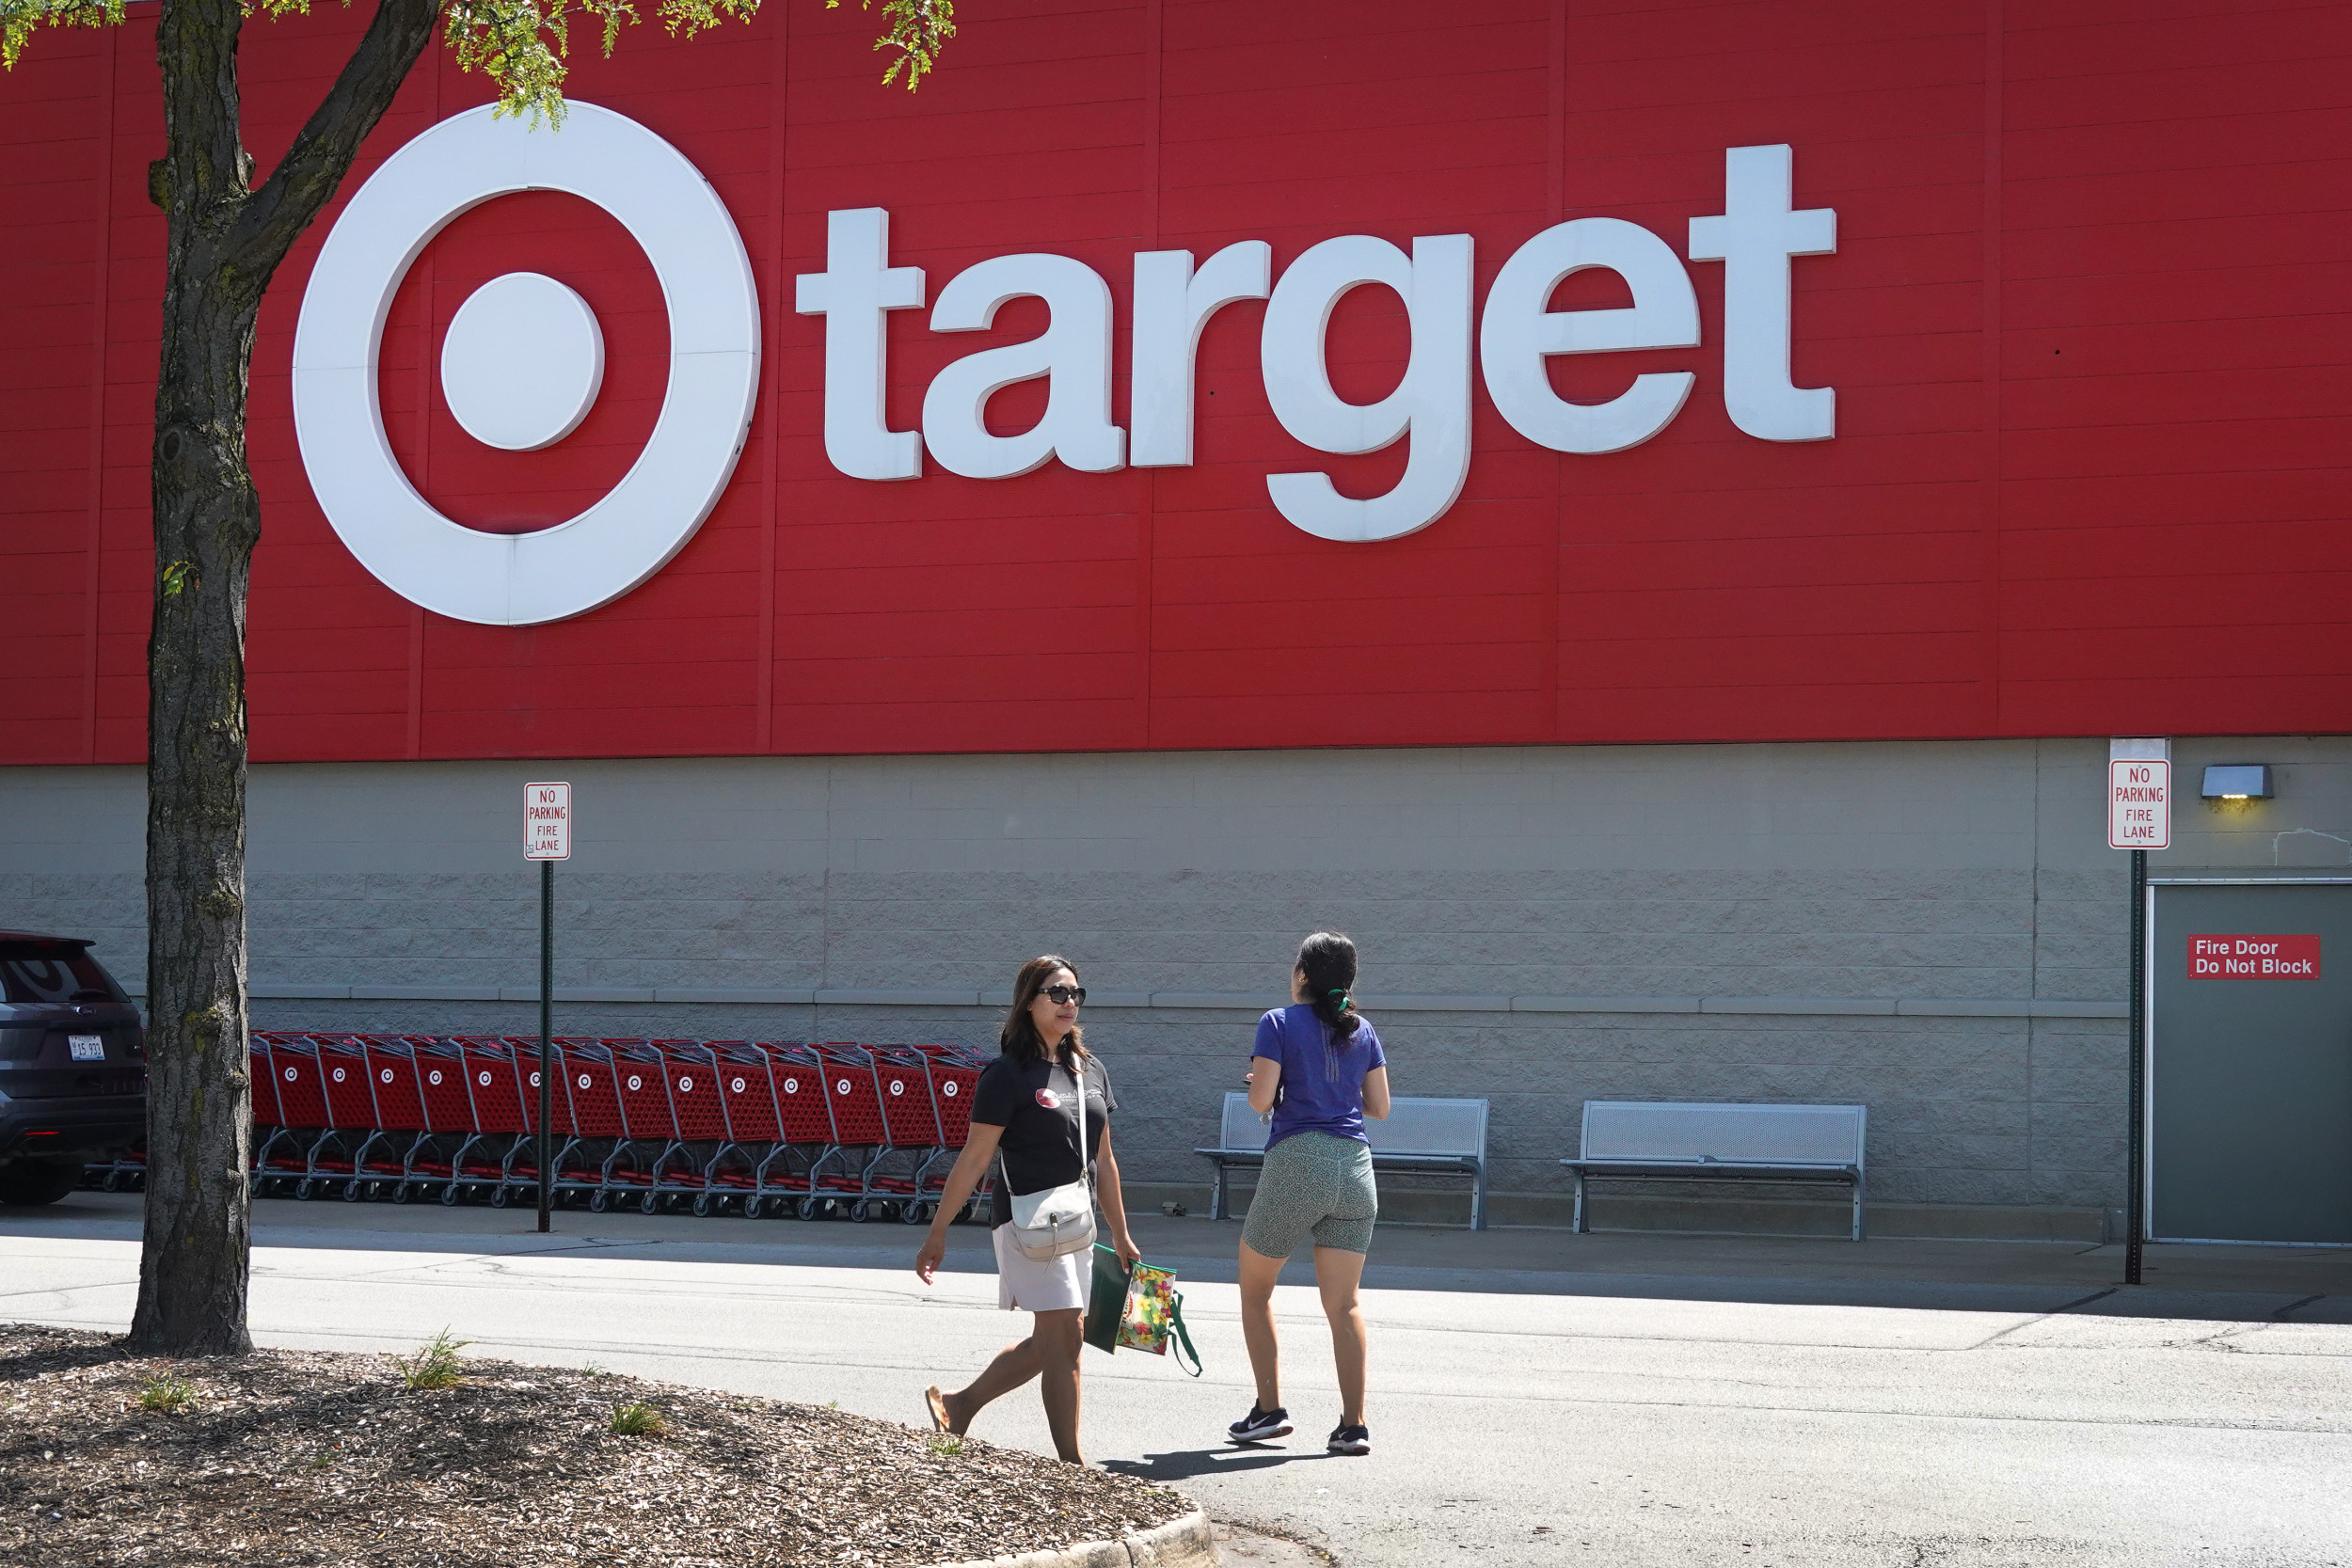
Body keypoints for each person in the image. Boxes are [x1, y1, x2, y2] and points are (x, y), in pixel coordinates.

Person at [915, 955, 1141, 1464]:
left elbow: (1105, 1162)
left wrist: (1122, 1234)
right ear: (1028, 1001)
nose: (1069, 1003)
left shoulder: (1091, 1070)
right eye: (1056, 992)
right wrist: (938, 1232)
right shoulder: (1006, 1075)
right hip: (1024, 1222)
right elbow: (974, 1160)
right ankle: (1072, 1466)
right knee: (1065, 1336)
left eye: (1075, 994)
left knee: (1057, 1341)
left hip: (1076, 1222)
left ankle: (958, 1405)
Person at [1227, 930, 1389, 1456]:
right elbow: (1379, 1107)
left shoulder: (1276, 1022)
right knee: (1345, 1306)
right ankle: (1353, 1426)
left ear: (1302, 975)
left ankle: (1269, 1411)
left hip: (1298, 1162)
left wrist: (1265, 1080)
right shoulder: (1364, 1031)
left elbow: (1258, 1102)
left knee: (1255, 1290)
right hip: (1356, 1169)